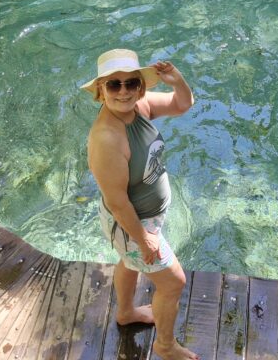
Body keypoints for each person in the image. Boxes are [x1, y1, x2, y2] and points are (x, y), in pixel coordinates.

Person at [85, 49, 198, 360]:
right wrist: (143, 237)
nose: (124, 92)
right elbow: (117, 202)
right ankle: (164, 346)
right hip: (132, 223)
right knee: (174, 282)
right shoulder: (107, 138)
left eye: (131, 83)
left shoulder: (140, 107)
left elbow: (181, 104)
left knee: (128, 263)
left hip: (145, 217)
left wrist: (178, 81)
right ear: (100, 90)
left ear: (140, 86)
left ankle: (125, 313)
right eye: (113, 85)